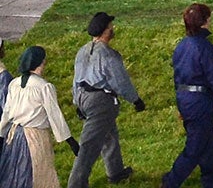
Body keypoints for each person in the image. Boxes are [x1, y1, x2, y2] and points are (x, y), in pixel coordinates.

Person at [164, 3, 213, 188]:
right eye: (209, 18)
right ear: (204, 22)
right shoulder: (206, 48)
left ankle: (211, 181)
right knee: (195, 147)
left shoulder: (181, 46)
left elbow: (177, 77)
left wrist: (180, 106)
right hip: (200, 102)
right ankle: (170, 182)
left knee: (209, 143)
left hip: (185, 98)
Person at [68, 11, 142, 188]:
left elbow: (76, 79)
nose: (113, 29)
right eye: (111, 27)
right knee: (89, 145)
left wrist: (77, 102)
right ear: (105, 31)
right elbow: (119, 80)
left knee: (109, 134)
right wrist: (135, 100)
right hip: (100, 101)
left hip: (82, 97)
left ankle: (115, 172)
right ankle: (76, 184)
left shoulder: (83, 51)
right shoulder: (108, 54)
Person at [0, 47, 72, 188]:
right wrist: (70, 140)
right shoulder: (44, 87)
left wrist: (1, 133)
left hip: (15, 136)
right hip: (35, 136)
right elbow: (54, 115)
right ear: (40, 62)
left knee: (15, 172)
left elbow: (7, 113)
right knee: (38, 173)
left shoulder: (14, 84)